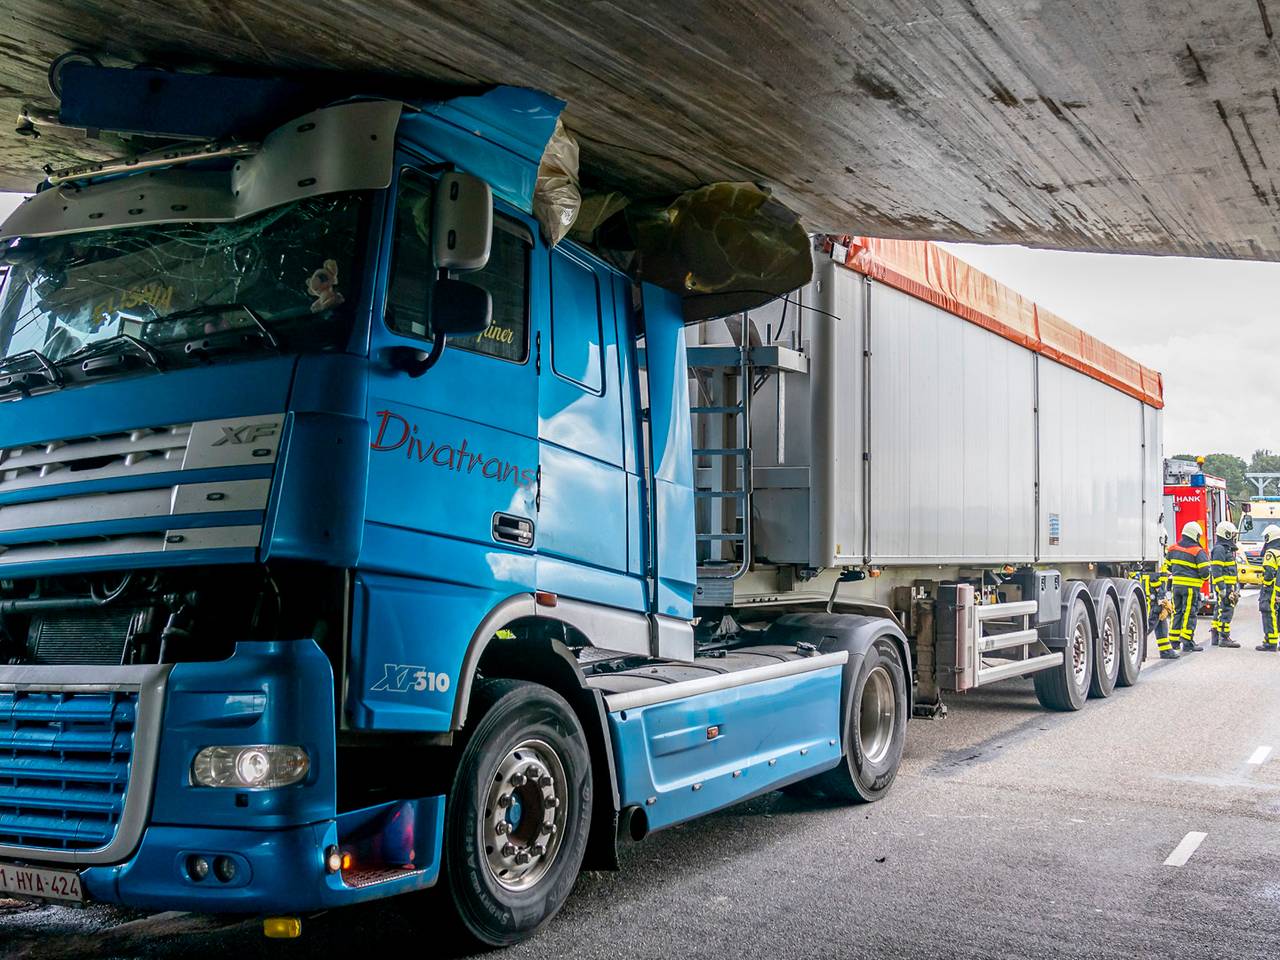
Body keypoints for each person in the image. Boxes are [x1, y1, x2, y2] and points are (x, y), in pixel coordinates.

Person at [1167, 520, 1210, 653]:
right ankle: (1187, 641)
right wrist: (1205, 578)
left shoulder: (1172, 549)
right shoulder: (1198, 551)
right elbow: (1205, 573)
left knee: (1177, 612)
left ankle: (1174, 640)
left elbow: (1168, 566)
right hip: (1191, 588)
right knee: (1189, 613)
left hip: (1176, 587)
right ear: (1195, 535)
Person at [1135, 527, 1177, 660]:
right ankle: (1136, 645)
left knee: (1161, 620)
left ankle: (1165, 650)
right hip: (1153, 596)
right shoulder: (1152, 554)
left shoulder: (1161, 553)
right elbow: (1154, 579)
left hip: (1157, 595)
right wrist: (1160, 599)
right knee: (1150, 623)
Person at [1209, 520, 1241, 648]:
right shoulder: (1220, 549)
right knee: (1226, 610)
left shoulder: (1225, 549)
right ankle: (1224, 637)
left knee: (1220, 609)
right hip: (1225, 586)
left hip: (1228, 586)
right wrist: (1221, 587)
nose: (1233, 537)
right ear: (1226, 534)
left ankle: (1216, 636)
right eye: (1232, 534)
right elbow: (1217, 570)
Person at [1258, 524, 1280, 652]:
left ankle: (1270, 642)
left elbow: (1269, 572)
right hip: (1278, 588)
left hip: (1271, 589)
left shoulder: (1271, 553)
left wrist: (1266, 584)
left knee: (1268, 612)